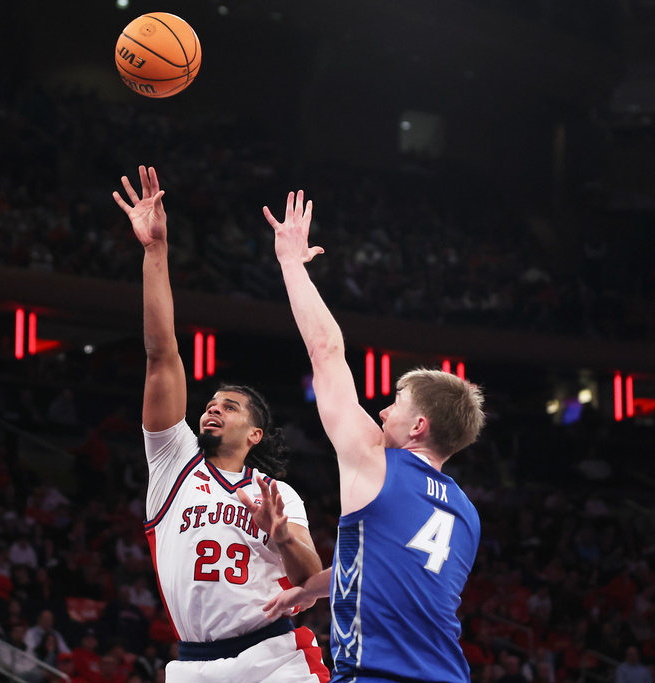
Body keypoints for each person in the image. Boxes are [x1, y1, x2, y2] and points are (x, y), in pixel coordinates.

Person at [113, 166, 330, 683]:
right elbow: (161, 354)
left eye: (230, 407)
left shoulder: (278, 493)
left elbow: (311, 578)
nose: (212, 408)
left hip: (275, 654)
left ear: (255, 434)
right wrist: (155, 251)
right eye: (212, 403)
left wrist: (281, 537)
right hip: (194, 664)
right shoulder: (173, 460)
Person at [259, 190, 486, 682]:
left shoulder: (374, 461)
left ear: (419, 427)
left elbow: (326, 350)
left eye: (396, 406)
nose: (382, 412)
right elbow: (390, 573)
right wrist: (308, 590)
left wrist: (291, 263)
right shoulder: (467, 516)